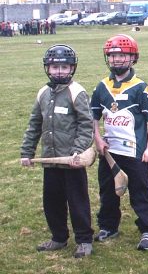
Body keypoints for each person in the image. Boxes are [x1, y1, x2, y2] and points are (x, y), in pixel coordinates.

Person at [20, 44, 94, 258]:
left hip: (71, 161)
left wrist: (77, 152)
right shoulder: (43, 93)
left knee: (77, 201)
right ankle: (58, 237)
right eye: (55, 67)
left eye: (64, 67)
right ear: (47, 69)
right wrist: (27, 152)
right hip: (50, 160)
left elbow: (86, 125)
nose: (59, 71)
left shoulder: (77, 92)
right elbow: (34, 124)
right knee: (52, 201)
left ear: (72, 68)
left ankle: (84, 240)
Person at [91, 34, 148, 251]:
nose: (117, 60)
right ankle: (109, 226)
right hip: (110, 153)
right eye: (113, 55)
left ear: (133, 58)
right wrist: (98, 140)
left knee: (141, 191)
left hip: (136, 153)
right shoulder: (101, 87)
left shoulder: (141, 88)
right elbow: (93, 119)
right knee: (108, 191)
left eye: (122, 55)